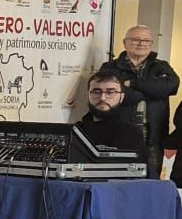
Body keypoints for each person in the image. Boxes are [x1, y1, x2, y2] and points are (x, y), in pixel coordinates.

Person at [96, 24, 177, 178]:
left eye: (146, 41)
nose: (141, 44)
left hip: (153, 139)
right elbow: (115, 96)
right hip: (119, 138)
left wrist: (132, 84)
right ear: (125, 42)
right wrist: (153, 90)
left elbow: (172, 86)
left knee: (150, 183)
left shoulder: (161, 66)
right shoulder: (110, 68)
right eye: (136, 39)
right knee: (119, 181)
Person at [75, 72, 147, 161]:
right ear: (88, 95)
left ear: (121, 97)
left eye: (110, 92)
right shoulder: (76, 132)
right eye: (96, 92)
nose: (102, 98)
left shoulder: (133, 133)